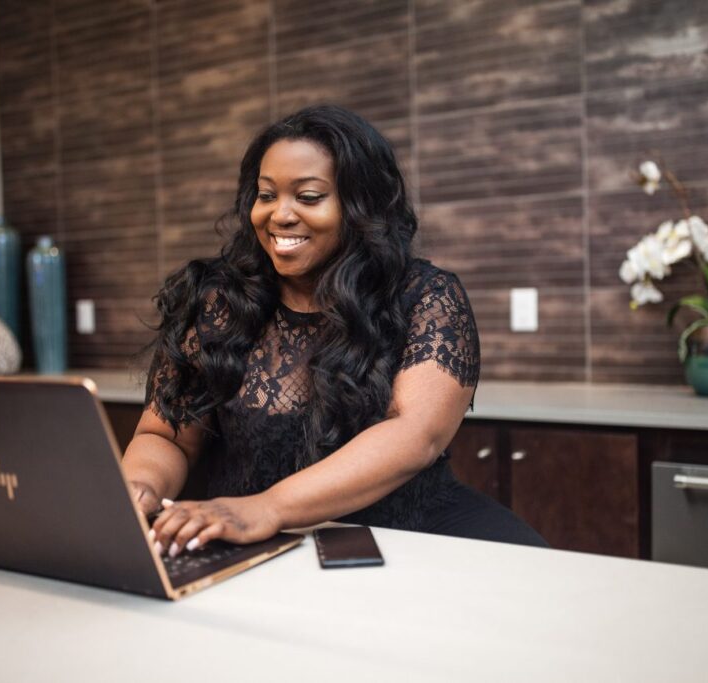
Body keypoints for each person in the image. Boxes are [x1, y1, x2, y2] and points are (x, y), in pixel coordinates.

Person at [122, 104, 546, 558]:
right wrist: (139, 487)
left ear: (358, 205)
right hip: (249, 543)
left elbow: (414, 434)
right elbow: (165, 436)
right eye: (266, 195)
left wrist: (269, 508)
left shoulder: (425, 296)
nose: (279, 215)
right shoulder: (218, 304)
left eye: (308, 197)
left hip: (402, 537)